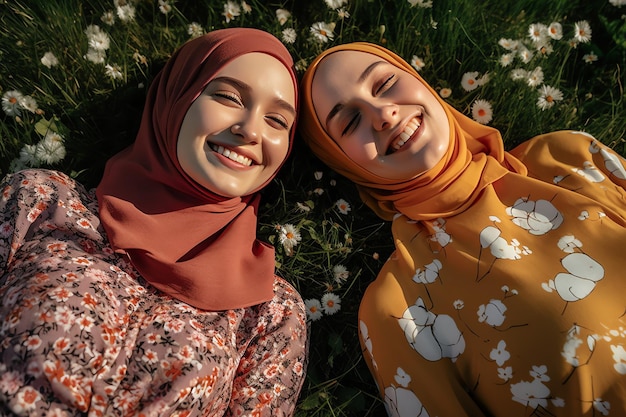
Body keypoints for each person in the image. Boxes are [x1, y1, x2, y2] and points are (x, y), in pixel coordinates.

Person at [298, 42, 626, 416]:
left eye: (386, 82)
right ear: (344, 165)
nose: (384, 113)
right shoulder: (399, 306)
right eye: (350, 122)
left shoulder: (567, 157)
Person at [0, 28, 307, 416]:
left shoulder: (270, 309)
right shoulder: (41, 200)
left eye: (277, 121)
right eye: (229, 97)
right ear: (176, 97)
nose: (250, 129)